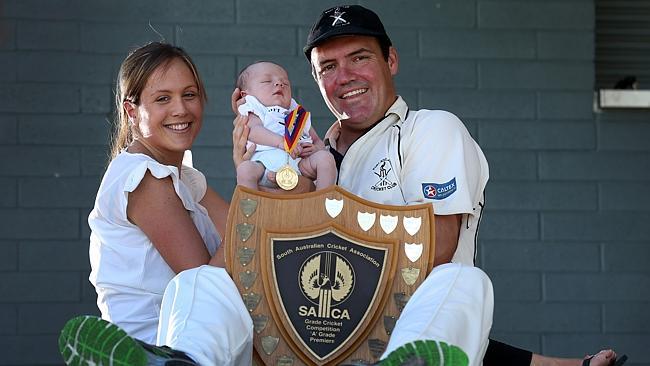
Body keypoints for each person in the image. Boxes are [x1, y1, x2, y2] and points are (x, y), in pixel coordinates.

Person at [233, 4, 625, 366]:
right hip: (312, 333)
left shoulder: (430, 129)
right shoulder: (304, 155)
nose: (345, 76)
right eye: (328, 67)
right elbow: (257, 253)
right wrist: (248, 171)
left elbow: (434, 250)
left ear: (391, 59)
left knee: (463, 280)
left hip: (398, 329)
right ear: (317, 81)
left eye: (359, 57)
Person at [58, 42, 254, 366]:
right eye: (163, 98)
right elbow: (206, 285)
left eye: (189, 95)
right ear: (132, 111)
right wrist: (246, 186)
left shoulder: (185, 177)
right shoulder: (143, 177)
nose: (181, 109)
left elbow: (247, 235)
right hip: (158, 344)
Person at [235, 61, 336, 191]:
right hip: (264, 164)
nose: (279, 84)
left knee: (326, 158)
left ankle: (323, 199)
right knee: (245, 169)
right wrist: (281, 142)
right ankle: (250, 205)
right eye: (267, 81)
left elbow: (316, 139)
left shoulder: (297, 114)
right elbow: (253, 131)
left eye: (285, 83)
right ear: (246, 95)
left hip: (299, 165)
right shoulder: (255, 109)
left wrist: (315, 148)